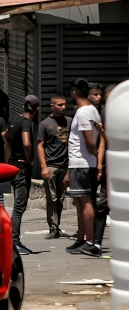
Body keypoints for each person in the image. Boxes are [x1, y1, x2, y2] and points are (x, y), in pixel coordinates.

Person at [65, 78, 101, 256]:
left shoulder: (84, 112)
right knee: (79, 202)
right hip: (78, 163)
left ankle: (91, 242)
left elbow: (89, 141)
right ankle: (81, 238)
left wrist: (95, 155)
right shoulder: (90, 111)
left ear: (74, 93)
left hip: (82, 163)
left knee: (85, 201)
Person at [37, 95, 71, 239]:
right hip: (51, 165)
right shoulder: (45, 124)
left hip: (65, 165)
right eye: (59, 105)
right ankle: (52, 227)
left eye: (64, 105)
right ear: (52, 106)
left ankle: (57, 226)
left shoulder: (69, 121)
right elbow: (40, 145)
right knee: (52, 198)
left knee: (61, 198)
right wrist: (43, 166)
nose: (63, 107)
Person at [8, 95, 38, 255]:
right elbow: (26, 142)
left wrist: (8, 158)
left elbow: (5, 137)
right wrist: (29, 159)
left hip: (12, 165)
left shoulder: (14, 120)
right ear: (36, 109)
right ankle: (14, 241)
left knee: (18, 205)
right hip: (21, 167)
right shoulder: (27, 123)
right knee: (20, 206)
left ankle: (14, 240)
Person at [93, 84, 113, 249]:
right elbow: (102, 142)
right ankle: (96, 242)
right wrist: (100, 165)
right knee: (102, 205)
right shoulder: (105, 113)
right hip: (109, 167)